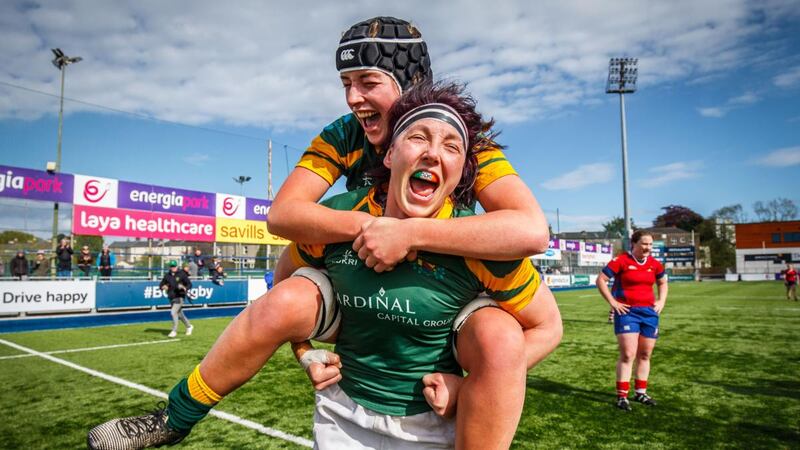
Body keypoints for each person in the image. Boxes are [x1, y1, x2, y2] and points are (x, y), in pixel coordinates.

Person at [87, 81, 561, 449]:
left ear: (462, 171)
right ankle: (174, 418)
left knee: (501, 335)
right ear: (391, 153)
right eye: (418, 137)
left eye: (452, 147)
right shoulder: (342, 216)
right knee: (289, 297)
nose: (434, 153)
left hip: (436, 422)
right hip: (344, 414)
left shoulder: (481, 242)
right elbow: (283, 281)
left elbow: (547, 328)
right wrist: (303, 350)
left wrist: (466, 385)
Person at [596, 230, 668, 411]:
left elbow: (663, 282)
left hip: (649, 313)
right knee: (628, 354)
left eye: (650, 244)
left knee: (645, 354)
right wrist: (613, 302)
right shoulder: (621, 261)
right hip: (627, 312)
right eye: (644, 244)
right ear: (633, 244)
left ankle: (641, 392)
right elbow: (601, 280)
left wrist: (661, 301)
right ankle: (622, 396)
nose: (648, 248)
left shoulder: (655, 264)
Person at [159, 260, 194, 339]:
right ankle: (189, 326)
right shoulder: (167, 275)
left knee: (173, 312)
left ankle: (174, 331)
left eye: (174, 266)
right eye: (171, 266)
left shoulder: (182, 274)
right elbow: (161, 284)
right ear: (169, 267)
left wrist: (185, 288)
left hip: (180, 296)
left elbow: (189, 284)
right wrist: (163, 287)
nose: (173, 268)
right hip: (171, 297)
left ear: (177, 266)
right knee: (179, 314)